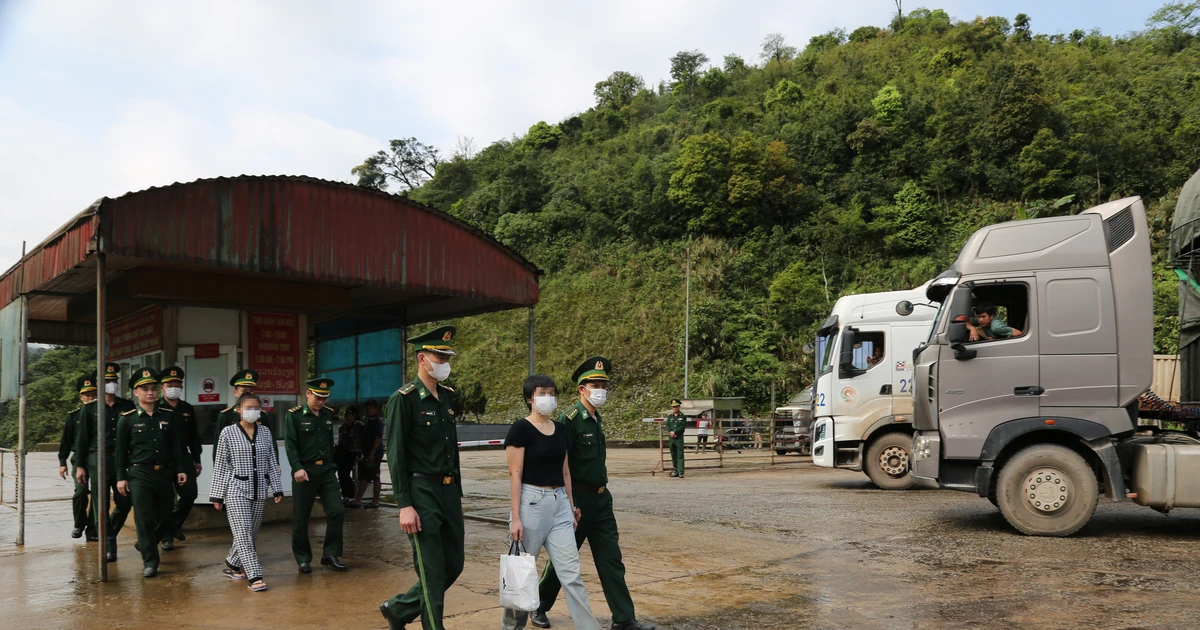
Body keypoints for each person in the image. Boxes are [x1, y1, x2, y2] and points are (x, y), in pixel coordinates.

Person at [533, 356, 655, 630]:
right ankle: (538, 605)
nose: (601, 389)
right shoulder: (570, 420)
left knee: (611, 559)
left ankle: (624, 619)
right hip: (577, 500)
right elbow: (561, 467)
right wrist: (568, 505)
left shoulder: (596, 419)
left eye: (603, 384)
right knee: (563, 560)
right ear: (581, 389)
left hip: (601, 500)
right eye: (595, 384)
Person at [379, 326, 464, 630]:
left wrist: (457, 490)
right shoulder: (404, 399)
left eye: (446, 356)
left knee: (454, 564)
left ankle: (399, 609)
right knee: (431, 569)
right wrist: (404, 504)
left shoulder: (447, 399)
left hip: (448, 491)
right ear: (421, 359)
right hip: (421, 489)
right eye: (438, 356)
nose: (443, 361)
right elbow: (397, 454)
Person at [503, 374, 600, 630]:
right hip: (531, 504)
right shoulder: (520, 429)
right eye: (541, 392)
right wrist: (516, 517)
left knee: (571, 575)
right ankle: (511, 628)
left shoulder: (561, 429)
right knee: (522, 575)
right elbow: (515, 474)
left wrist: (571, 506)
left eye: (551, 392)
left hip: (560, 506)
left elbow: (566, 471)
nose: (548, 397)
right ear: (529, 398)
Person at [115, 368, 188, 578]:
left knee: (166, 515)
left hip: (164, 472)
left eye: (153, 389)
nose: (150, 393)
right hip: (139, 474)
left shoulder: (168, 416)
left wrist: (181, 469)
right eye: (144, 389)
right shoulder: (127, 420)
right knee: (144, 518)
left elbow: (176, 447)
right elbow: (121, 452)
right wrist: (121, 477)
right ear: (135, 393)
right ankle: (150, 561)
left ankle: (146, 542)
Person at [211, 393, 284, 592]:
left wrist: (277, 488)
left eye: (256, 407)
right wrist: (217, 494)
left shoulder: (266, 432)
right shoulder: (228, 432)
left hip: (260, 489)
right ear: (239, 410)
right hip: (235, 490)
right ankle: (255, 576)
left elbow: (271, 462)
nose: (252, 411)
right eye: (248, 407)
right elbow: (221, 466)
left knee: (250, 533)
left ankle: (232, 561)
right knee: (243, 534)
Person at [284, 377, 347, 573]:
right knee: (301, 517)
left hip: (326, 470)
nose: (321, 402)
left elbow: (329, 442)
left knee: (337, 511)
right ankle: (303, 558)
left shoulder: (327, 414)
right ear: (308, 394)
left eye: (325, 398)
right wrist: (297, 468)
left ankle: (330, 554)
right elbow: (291, 444)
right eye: (318, 397)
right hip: (305, 471)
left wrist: (333, 465)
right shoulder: (294, 416)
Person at [75, 362, 136, 563]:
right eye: (107, 380)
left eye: (114, 380)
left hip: (121, 459)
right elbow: (82, 439)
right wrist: (81, 466)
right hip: (96, 458)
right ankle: (109, 544)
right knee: (100, 504)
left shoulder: (127, 406)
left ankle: (109, 533)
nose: (111, 384)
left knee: (125, 502)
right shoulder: (90, 408)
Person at [159, 366, 201, 550]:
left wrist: (197, 459)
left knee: (190, 494)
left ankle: (172, 525)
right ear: (162, 387)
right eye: (170, 384)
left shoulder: (187, 409)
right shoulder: (157, 407)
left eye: (177, 384)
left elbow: (193, 435)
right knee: (166, 500)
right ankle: (166, 537)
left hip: (184, 456)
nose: (173, 387)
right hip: (163, 458)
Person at [59, 376, 97, 541]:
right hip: (80, 459)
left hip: (97, 457)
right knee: (81, 492)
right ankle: (79, 523)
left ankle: (93, 528)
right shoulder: (74, 416)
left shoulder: (102, 413)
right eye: (86, 394)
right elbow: (66, 441)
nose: (90, 397)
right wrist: (62, 462)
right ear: (81, 397)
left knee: (98, 494)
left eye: (93, 393)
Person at [213, 370, 258, 463]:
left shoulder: (260, 415)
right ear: (235, 392)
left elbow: (271, 444)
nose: (248, 394)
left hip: (258, 463)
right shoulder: (225, 415)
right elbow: (218, 447)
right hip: (235, 465)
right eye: (244, 391)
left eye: (251, 391)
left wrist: (276, 463)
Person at [355, 399, 385, 509]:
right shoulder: (368, 421)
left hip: (374, 454)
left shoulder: (378, 422)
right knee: (364, 476)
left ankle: (375, 501)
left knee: (375, 476)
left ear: (376, 409)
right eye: (367, 407)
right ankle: (358, 500)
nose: (368, 410)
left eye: (371, 407)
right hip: (366, 453)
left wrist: (372, 453)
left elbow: (378, 438)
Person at [336, 406, 363, 505]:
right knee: (341, 473)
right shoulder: (344, 426)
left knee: (345, 473)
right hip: (342, 451)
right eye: (346, 414)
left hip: (352, 452)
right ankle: (345, 495)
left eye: (349, 414)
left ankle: (350, 495)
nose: (347, 416)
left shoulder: (358, 425)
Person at [664, 399, 686, 479]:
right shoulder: (670, 417)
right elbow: (668, 425)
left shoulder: (682, 417)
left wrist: (675, 432)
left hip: (678, 438)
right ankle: (675, 470)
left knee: (680, 455)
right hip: (672, 438)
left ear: (679, 407)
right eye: (673, 407)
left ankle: (681, 472)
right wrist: (670, 432)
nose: (674, 408)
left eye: (676, 406)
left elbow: (682, 427)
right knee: (673, 455)